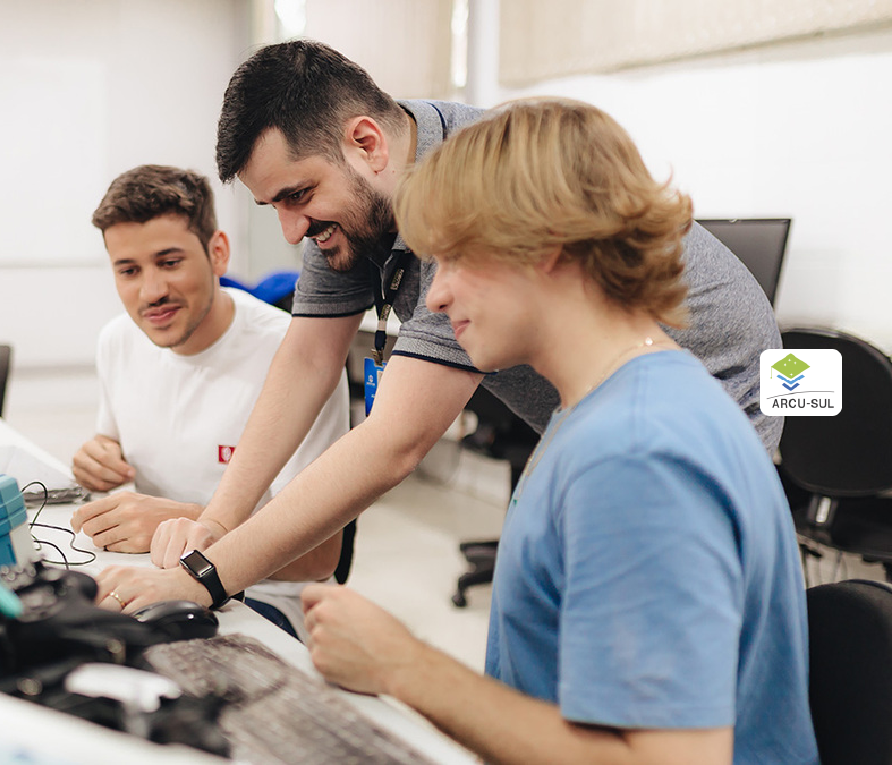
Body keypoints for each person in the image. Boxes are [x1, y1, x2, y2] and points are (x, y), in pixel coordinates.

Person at [94, 40, 780, 619]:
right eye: (274, 204)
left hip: (713, 394)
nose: (291, 229)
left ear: (366, 142)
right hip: (583, 417)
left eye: (297, 197)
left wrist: (204, 576)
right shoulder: (351, 206)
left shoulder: (478, 201)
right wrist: (214, 525)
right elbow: (308, 358)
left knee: (632, 612)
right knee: (551, 611)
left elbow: (395, 439)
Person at [300, 97, 816, 764]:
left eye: (455, 259)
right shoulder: (602, 408)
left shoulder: (637, 452)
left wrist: (405, 666)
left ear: (548, 246)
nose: (434, 296)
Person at [71, 164, 350, 637]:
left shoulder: (298, 356)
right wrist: (97, 456)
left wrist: (190, 525)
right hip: (150, 573)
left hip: (262, 598)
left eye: (170, 262)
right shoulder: (117, 340)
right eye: (129, 270)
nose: (152, 291)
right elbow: (114, 442)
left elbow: (321, 557)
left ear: (217, 252)